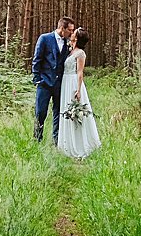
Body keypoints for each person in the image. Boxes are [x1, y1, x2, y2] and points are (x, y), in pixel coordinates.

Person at [57, 27, 100, 159]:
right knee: (66, 111)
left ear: (77, 37)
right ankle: (67, 144)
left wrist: (78, 89)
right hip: (65, 82)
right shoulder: (70, 51)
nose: (72, 33)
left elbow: (80, 72)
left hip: (73, 83)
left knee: (76, 113)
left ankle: (81, 145)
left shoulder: (80, 53)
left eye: (74, 32)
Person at [31, 16, 74, 143]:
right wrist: (37, 79)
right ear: (62, 28)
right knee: (40, 112)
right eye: (70, 30)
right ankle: (37, 139)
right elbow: (36, 59)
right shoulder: (44, 38)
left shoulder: (67, 43)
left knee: (58, 113)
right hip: (44, 83)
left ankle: (56, 141)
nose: (71, 33)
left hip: (59, 84)